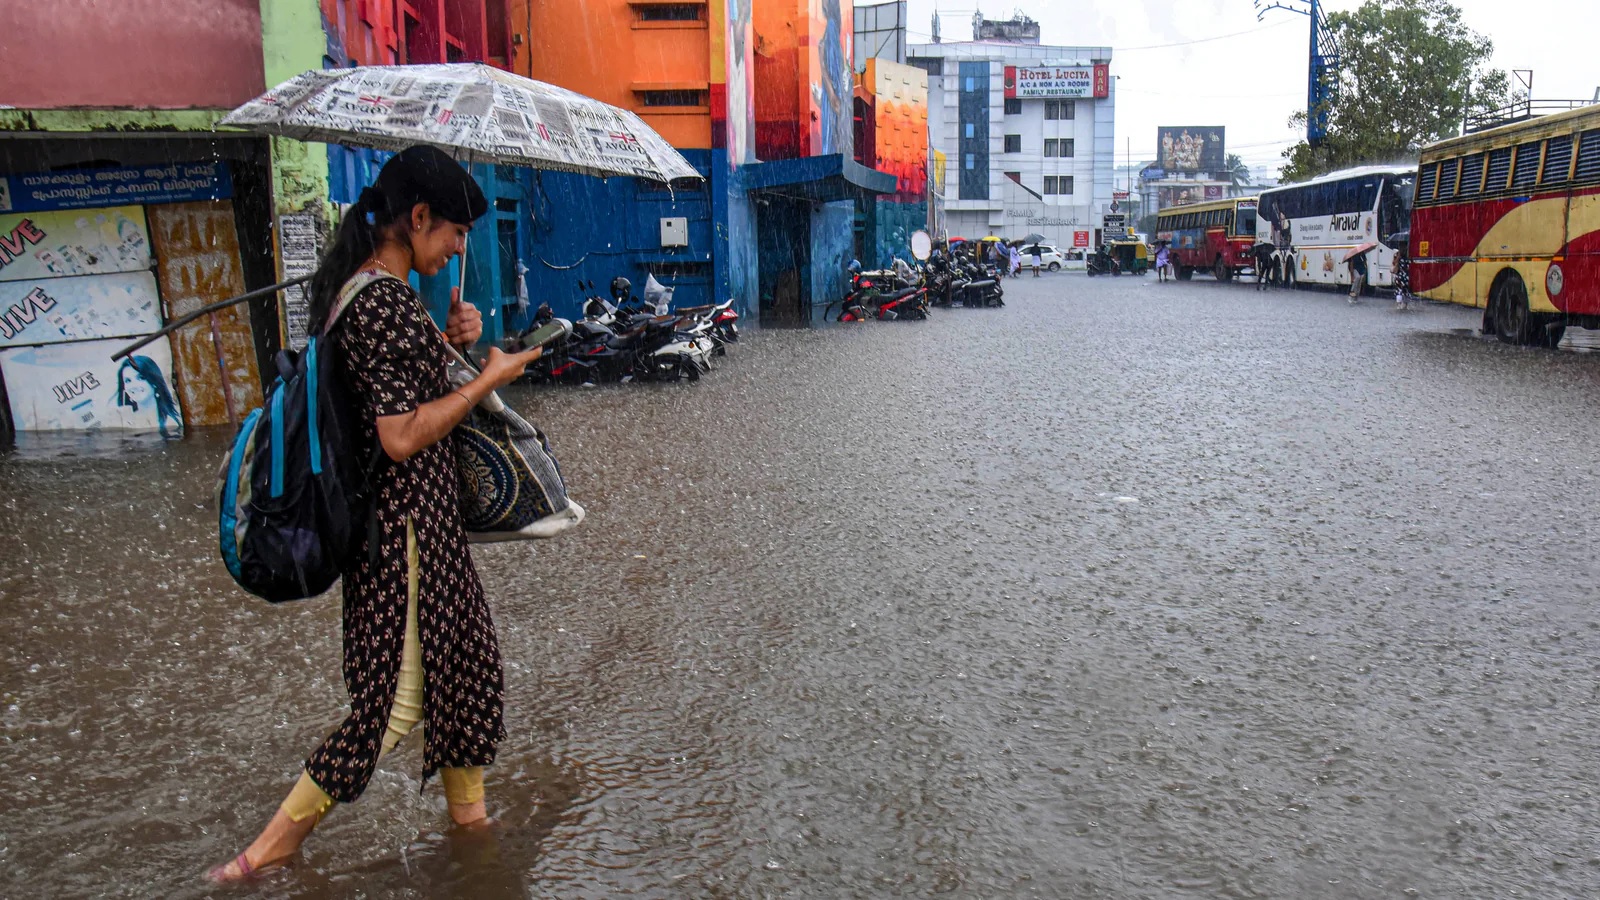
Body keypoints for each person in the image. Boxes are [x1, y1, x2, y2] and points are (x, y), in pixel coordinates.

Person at [207, 146, 547, 882]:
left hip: (427, 530)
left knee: (469, 673)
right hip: (405, 537)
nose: (461, 247)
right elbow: (399, 436)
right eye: (454, 232)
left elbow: (399, 394)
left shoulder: (376, 294)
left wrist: (451, 341)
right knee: (388, 709)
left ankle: (472, 831)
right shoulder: (382, 301)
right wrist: (488, 374)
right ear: (417, 218)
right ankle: (261, 857)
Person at [114, 354, 184, 438]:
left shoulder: (173, 420)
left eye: (141, 378)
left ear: (154, 382)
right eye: (128, 381)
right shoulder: (120, 421)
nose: (134, 385)